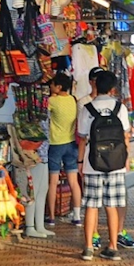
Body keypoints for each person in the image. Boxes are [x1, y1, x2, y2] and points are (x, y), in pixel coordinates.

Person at [77, 70, 130, 261]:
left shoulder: (87, 108)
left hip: (93, 163)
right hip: (116, 163)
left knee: (91, 206)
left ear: (95, 85)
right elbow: (125, 136)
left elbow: (82, 138)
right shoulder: (120, 108)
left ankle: (89, 247)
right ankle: (113, 246)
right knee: (111, 206)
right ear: (113, 88)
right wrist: (126, 158)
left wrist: (80, 162)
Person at [45, 73, 81, 228]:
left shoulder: (52, 101)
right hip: (72, 144)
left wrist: (51, 95)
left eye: (52, 85)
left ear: (58, 87)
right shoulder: (74, 100)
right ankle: (77, 216)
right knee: (73, 181)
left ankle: (52, 217)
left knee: (53, 182)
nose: (50, 87)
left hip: (55, 144)